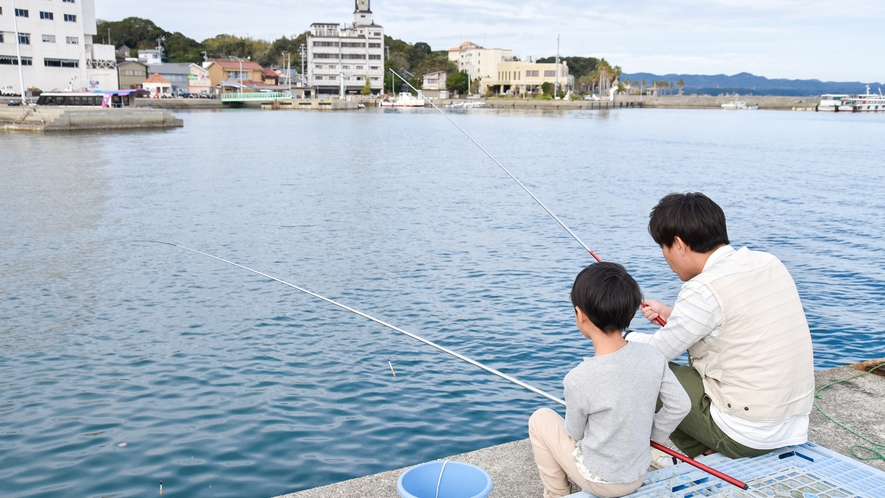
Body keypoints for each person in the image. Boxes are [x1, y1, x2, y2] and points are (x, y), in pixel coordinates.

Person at [628, 192, 815, 460]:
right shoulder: (768, 262)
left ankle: (703, 453)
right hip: (792, 425)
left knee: (644, 371)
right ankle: (709, 449)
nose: (664, 256)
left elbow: (655, 353)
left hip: (749, 435)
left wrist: (625, 336)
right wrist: (672, 314)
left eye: (663, 246)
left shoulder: (702, 289)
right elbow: (734, 320)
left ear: (679, 244)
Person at [529, 262, 690, 498]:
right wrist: (650, 436)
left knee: (539, 418)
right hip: (638, 471)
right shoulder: (653, 355)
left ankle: (556, 494)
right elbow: (681, 405)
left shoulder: (578, 378)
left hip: (602, 481)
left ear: (580, 315)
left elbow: (574, 433)